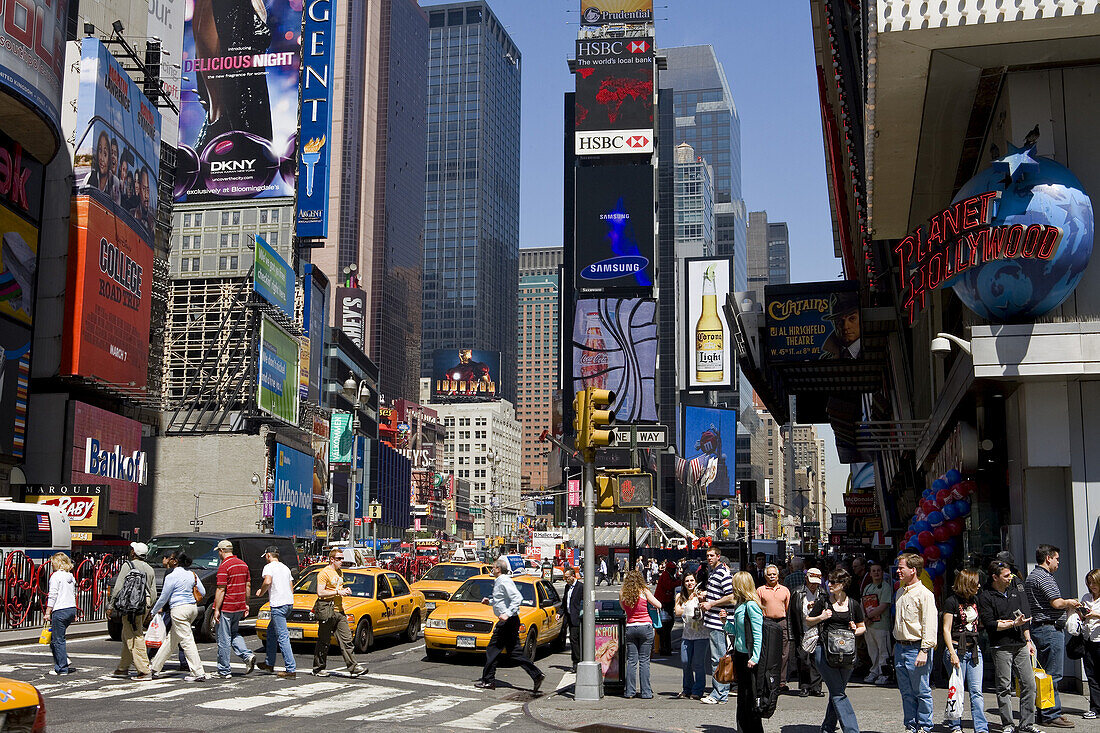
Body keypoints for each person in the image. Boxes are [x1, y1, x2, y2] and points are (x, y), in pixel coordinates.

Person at [978, 560, 1037, 733]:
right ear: (995, 577)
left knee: (1029, 683)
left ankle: (1027, 724)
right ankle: (1008, 724)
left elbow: (1023, 618)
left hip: (1020, 643)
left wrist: (1028, 640)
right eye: (1005, 576)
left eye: (1010, 574)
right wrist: (1012, 624)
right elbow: (990, 624)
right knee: (1004, 686)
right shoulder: (986, 596)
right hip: (1001, 646)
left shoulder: (1014, 590)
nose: (1010, 578)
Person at [1024, 543, 1079, 728]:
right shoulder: (1045, 577)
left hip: (1039, 628)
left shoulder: (1032, 577)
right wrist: (1070, 602)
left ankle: (1046, 711)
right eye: (1057, 559)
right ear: (1048, 558)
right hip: (1050, 629)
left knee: (1044, 674)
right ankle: (1050, 714)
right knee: (1053, 675)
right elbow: (1056, 603)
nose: (1058, 563)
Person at [807, 568, 866, 733]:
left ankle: (827, 727)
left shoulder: (853, 604)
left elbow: (863, 628)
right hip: (824, 651)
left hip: (846, 653)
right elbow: (808, 621)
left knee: (836, 690)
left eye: (833, 582)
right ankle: (852, 729)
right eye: (829, 581)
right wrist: (821, 617)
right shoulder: (824, 601)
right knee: (838, 692)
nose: (829, 584)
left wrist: (855, 629)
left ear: (843, 584)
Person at [475, 556, 545, 692]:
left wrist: (507, 614)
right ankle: (536, 675)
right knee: (514, 652)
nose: (491, 568)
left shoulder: (504, 581)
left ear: (499, 569)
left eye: (493, 567)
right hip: (510, 621)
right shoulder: (500, 581)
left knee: (492, 649)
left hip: (508, 621)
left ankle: (488, 680)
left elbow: (517, 598)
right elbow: (503, 600)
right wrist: (489, 602)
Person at [893, 552, 938, 733]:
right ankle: (910, 725)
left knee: (921, 690)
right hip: (900, 647)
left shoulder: (924, 594)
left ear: (913, 570)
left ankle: (925, 726)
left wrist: (924, 650)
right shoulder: (900, 592)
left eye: (901, 568)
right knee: (906, 691)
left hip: (916, 647)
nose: (898, 571)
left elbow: (930, 623)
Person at [942, 568, 989, 733]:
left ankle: (981, 728)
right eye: (975, 583)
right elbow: (946, 629)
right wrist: (952, 653)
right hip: (956, 649)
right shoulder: (951, 602)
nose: (979, 586)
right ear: (967, 584)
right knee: (957, 689)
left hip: (974, 650)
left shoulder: (976, 599)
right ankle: (955, 725)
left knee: (976, 691)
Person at [149, 552, 207, 681]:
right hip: (192, 608)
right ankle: (155, 668)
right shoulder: (192, 574)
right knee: (172, 639)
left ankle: (198, 672)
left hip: (178, 609)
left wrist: (153, 611)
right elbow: (202, 591)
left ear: (175, 561)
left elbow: (164, 596)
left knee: (187, 640)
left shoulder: (172, 575)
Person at [312, 548, 366, 678]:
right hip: (327, 610)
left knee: (347, 640)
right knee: (324, 641)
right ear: (332, 559)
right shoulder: (324, 573)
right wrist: (337, 592)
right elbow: (320, 592)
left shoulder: (339, 572)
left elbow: (338, 588)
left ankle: (353, 667)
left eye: (342, 558)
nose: (342, 561)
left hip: (339, 611)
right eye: (339, 559)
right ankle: (318, 668)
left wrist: (345, 590)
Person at [723, 571, 765, 733]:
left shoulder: (752, 606)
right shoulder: (740, 604)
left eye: (734, 584)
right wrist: (725, 622)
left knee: (750, 698)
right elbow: (737, 631)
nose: (732, 587)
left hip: (749, 657)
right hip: (740, 655)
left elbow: (757, 633)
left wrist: (755, 656)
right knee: (742, 697)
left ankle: (752, 729)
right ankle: (742, 728)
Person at [109, 542, 156, 680]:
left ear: (134, 553)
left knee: (134, 635)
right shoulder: (149, 568)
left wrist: (111, 605)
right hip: (144, 603)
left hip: (131, 605)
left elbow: (118, 587)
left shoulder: (128, 566)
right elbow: (153, 593)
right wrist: (150, 609)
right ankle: (123, 667)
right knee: (127, 634)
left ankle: (144, 670)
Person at [212, 540, 256, 678]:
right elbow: (247, 586)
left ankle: (224, 670)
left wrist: (216, 609)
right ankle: (247, 655)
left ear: (221, 551)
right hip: (239, 605)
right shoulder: (243, 564)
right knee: (234, 633)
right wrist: (246, 603)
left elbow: (221, 589)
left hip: (227, 606)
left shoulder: (224, 566)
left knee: (223, 638)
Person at [699, 546, 736, 705]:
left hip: (719, 621)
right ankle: (721, 692)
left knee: (718, 658)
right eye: (708, 555)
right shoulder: (715, 572)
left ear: (718, 556)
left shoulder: (722, 573)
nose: (709, 558)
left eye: (712, 555)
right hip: (714, 620)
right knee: (719, 657)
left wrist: (711, 603)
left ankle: (719, 693)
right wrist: (707, 595)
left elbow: (732, 596)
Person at [256, 545, 297, 679]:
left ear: (268, 555)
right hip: (288, 603)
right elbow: (291, 586)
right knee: (271, 632)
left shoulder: (269, 567)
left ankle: (291, 669)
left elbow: (267, 581)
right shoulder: (285, 568)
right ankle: (269, 663)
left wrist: (260, 592)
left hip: (278, 604)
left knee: (283, 637)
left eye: (266, 557)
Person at [618, 570, 661, 699]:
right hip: (645, 626)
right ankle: (646, 692)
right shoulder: (644, 591)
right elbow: (659, 604)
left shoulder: (622, 593)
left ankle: (629, 691)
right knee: (644, 661)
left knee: (631, 661)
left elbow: (622, 608)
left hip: (630, 627)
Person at [791, 566, 825, 697]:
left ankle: (816, 687)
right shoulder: (797, 592)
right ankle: (804, 686)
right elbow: (791, 615)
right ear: (806, 579)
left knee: (817, 660)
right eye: (811, 582)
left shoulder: (822, 593)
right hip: (802, 630)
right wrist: (792, 634)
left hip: (817, 631)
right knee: (803, 660)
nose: (813, 585)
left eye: (816, 583)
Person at [674, 573, 709, 699]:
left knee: (698, 663)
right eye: (687, 581)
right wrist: (690, 605)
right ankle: (687, 688)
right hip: (687, 634)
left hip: (701, 634)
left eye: (692, 580)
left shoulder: (701, 594)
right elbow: (677, 611)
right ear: (683, 583)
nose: (690, 583)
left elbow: (704, 609)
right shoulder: (680, 596)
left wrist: (699, 600)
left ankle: (698, 690)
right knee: (685, 662)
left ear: (696, 581)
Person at [757, 563, 791, 691]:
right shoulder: (760, 590)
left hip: (782, 622)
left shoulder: (785, 590)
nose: (772, 577)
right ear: (765, 576)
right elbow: (758, 608)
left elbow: (788, 608)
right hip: (767, 622)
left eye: (774, 574)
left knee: (784, 652)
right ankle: (768, 679)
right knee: (768, 652)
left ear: (778, 576)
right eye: (769, 575)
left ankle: (781, 681)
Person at [45, 553, 78, 675]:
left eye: (53, 562)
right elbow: (73, 594)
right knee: (56, 639)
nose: (51, 565)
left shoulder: (55, 577)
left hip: (60, 610)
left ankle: (62, 667)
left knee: (58, 640)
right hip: (70, 609)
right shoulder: (70, 576)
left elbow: (52, 595)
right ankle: (63, 658)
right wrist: (74, 612)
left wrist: (48, 611)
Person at [862, 562, 893, 685]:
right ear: (870, 573)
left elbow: (884, 605)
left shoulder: (885, 587)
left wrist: (869, 615)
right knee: (873, 651)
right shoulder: (868, 587)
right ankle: (874, 671)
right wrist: (865, 618)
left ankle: (884, 673)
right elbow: (863, 604)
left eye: (878, 570)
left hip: (881, 625)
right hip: (869, 625)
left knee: (883, 651)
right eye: (873, 571)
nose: (876, 573)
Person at [1078, 568, 1100, 720]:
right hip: (1088, 639)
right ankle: (1095, 708)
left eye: (1094, 583)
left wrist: (1096, 614)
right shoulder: (1086, 597)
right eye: (1089, 583)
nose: (1092, 586)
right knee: (1091, 675)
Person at [654, 561, 679, 657]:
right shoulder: (665, 576)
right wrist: (679, 582)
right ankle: (664, 648)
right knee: (665, 627)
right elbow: (669, 585)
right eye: (672, 569)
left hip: (666, 603)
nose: (673, 570)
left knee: (667, 627)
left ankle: (665, 647)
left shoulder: (668, 575)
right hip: (663, 604)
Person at [562, 566, 583, 672]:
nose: (566, 579)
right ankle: (576, 661)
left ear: (573, 576)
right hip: (569, 617)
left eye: (567, 577)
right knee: (573, 639)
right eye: (565, 577)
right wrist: (560, 613)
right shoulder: (567, 587)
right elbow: (564, 602)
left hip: (577, 618)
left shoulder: (580, 587)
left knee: (575, 640)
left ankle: (577, 662)